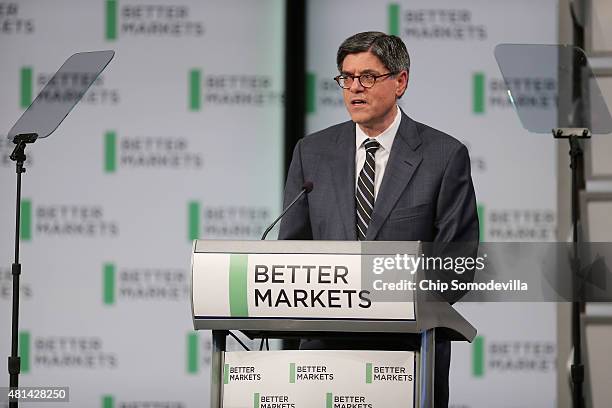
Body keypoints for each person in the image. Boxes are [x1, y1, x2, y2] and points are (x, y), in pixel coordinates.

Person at [279, 31, 478, 408]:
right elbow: (291, 253)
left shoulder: (444, 156)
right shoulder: (313, 152)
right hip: (325, 356)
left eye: (367, 77)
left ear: (400, 81)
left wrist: (379, 300)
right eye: (346, 77)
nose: (354, 88)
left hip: (407, 353)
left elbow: (457, 263)